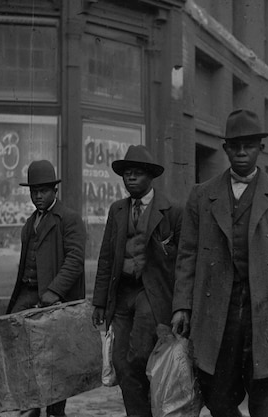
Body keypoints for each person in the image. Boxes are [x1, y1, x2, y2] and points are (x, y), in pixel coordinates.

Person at [171, 109, 268, 417]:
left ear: (260, 148)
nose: (241, 152)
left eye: (248, 145)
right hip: (216, 312)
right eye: (234, 146)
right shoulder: (202, 196)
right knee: (216, 395)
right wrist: (182, 305)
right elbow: (187, 256)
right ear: (225, 149)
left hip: (267, 310)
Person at [92, 145, 182, 417]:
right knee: (121, 362)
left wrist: (181, 306)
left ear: (150, 177)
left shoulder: (172, 211)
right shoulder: (117, 210)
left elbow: (182, 262)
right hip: (121, 295)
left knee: (140, 354)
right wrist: (98, 302)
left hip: (151, 293)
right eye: (126, 174)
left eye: (137, 173)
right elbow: (106, 257)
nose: (130, 178)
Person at [6, 159, 86, 417]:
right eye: (33, 191)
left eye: (43, 190)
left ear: (55, 191)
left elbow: (75, 259)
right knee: (18, 346)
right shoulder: (30, 223)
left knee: (55, 358)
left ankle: (55, 411)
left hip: (55, 297)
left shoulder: (69, 219)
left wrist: (54, 291)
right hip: (28, 293)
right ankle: (31, 404)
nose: (38, 196)